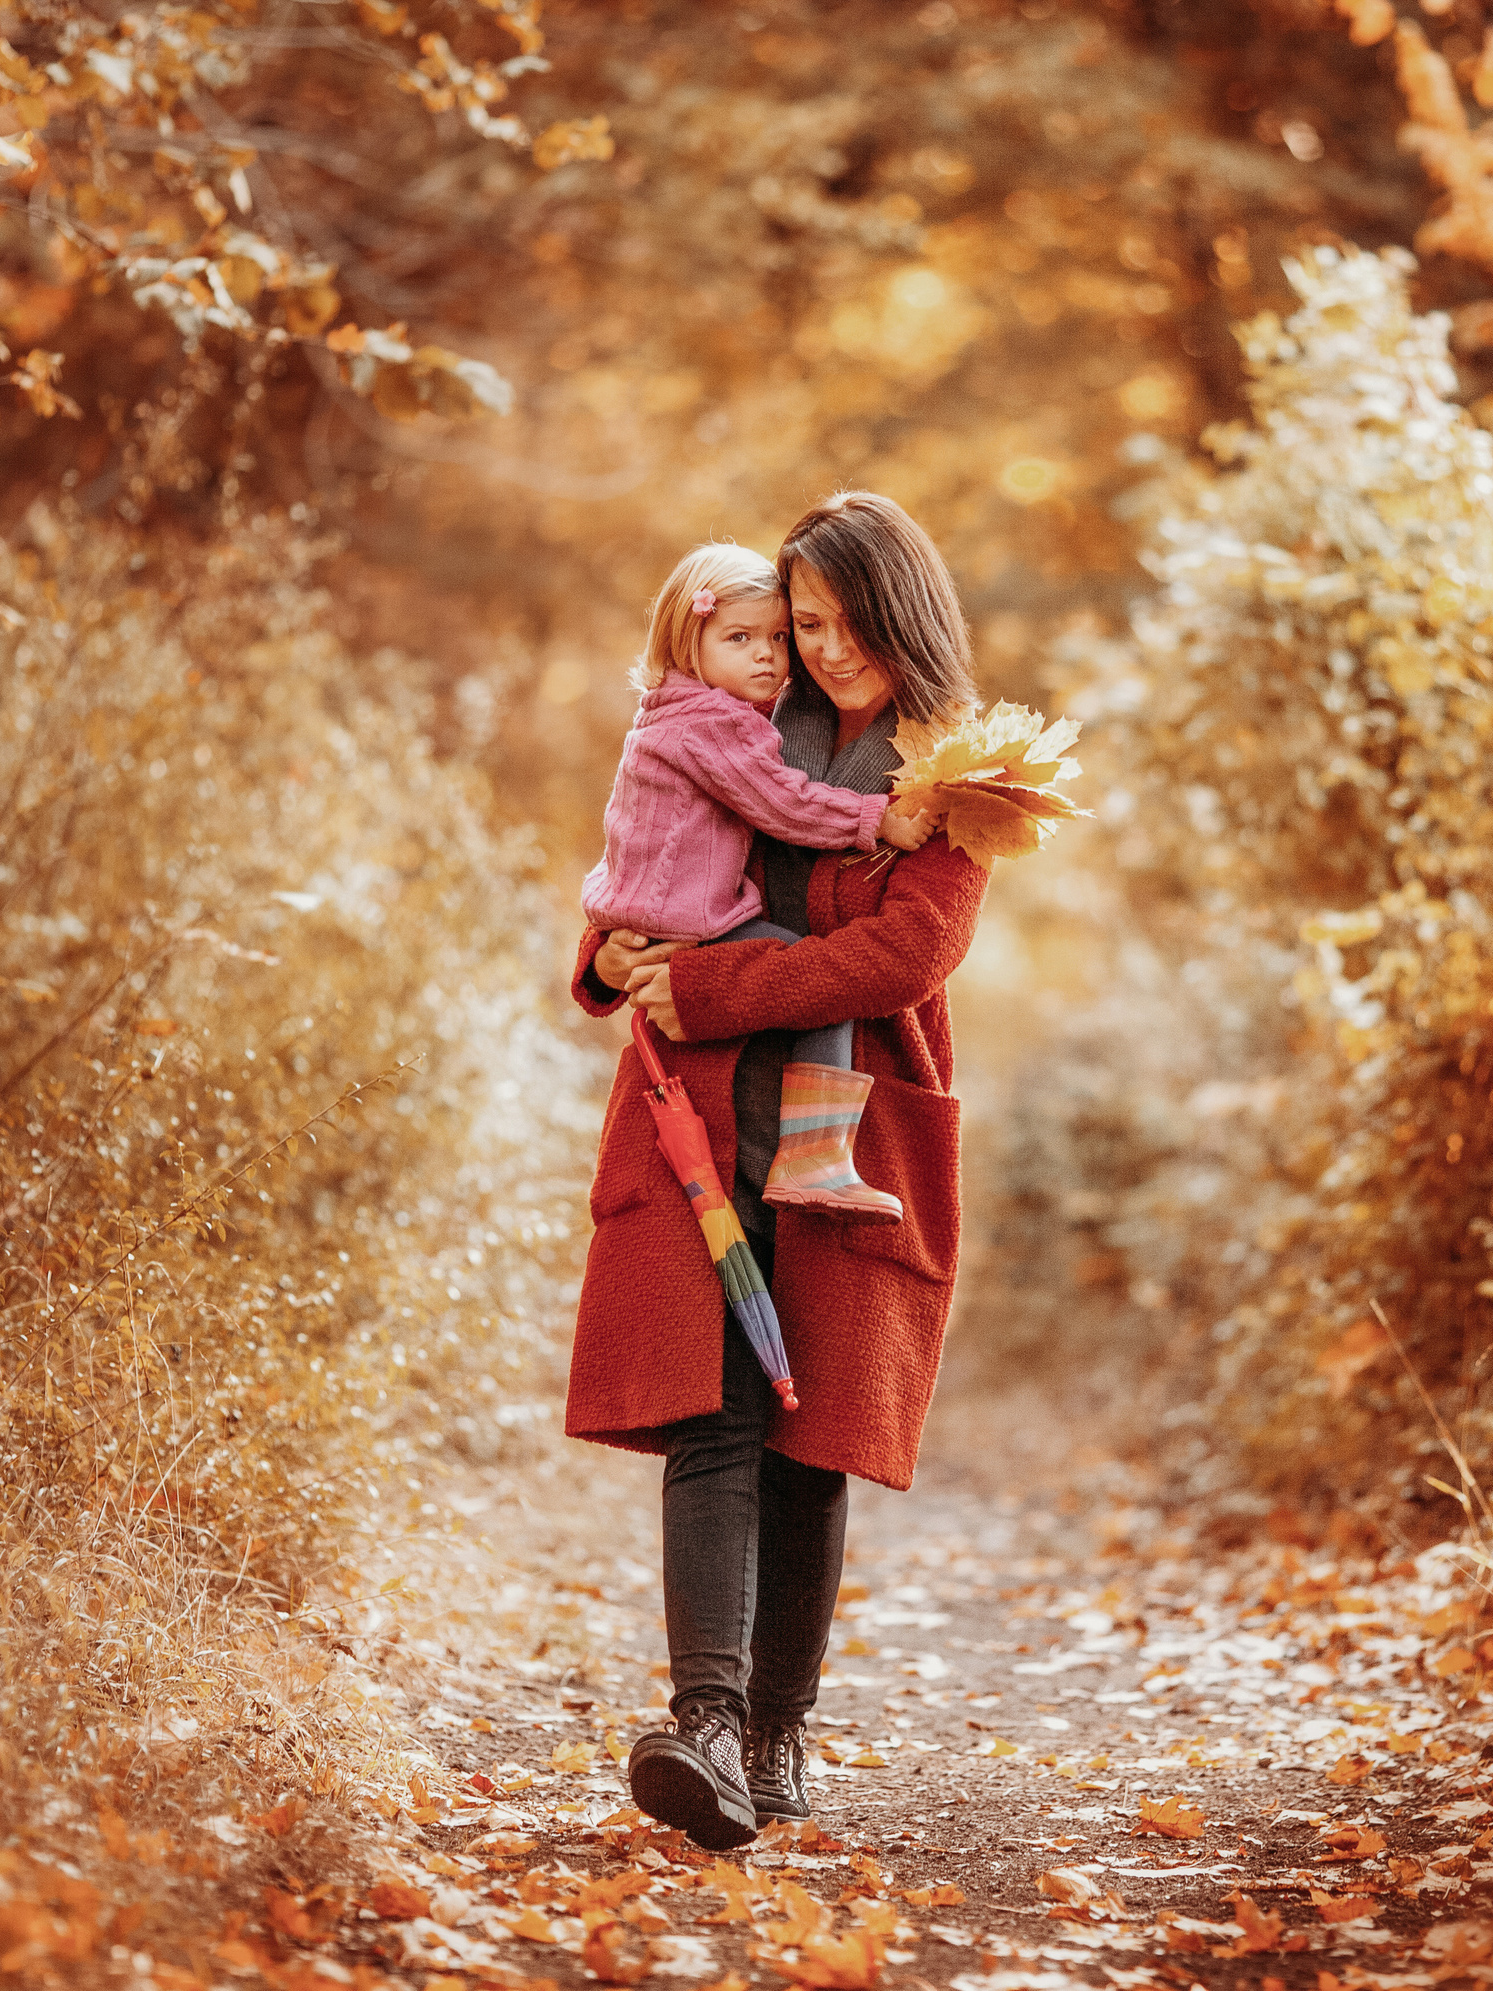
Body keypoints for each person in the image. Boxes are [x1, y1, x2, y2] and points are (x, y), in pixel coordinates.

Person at [567, 491, 987, 1851]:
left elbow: (900, 958)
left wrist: (711, 984)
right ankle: (701, 1717)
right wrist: (612, 956)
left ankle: (776, 1727)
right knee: (715, 1417)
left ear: (901, 611)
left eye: (844, 617)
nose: (822, 642)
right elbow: (652, 854)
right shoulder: (742, 725)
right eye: (802, 620)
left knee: (810, 1446)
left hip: (849, 1131)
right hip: (698, 1115)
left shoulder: (958, 773)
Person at [581, 541, 935, 1222]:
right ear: (690, 639)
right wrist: (877, 820)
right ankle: (819, 1153)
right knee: (818, 989)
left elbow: (908, 954)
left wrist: (624, 939)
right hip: (695, 938)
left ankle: (812, 1153)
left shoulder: (673, 711)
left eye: (776, 636)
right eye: (744, 637)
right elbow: (784, 801)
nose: (771, 655)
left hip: (668, 921)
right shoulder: (721, 722)